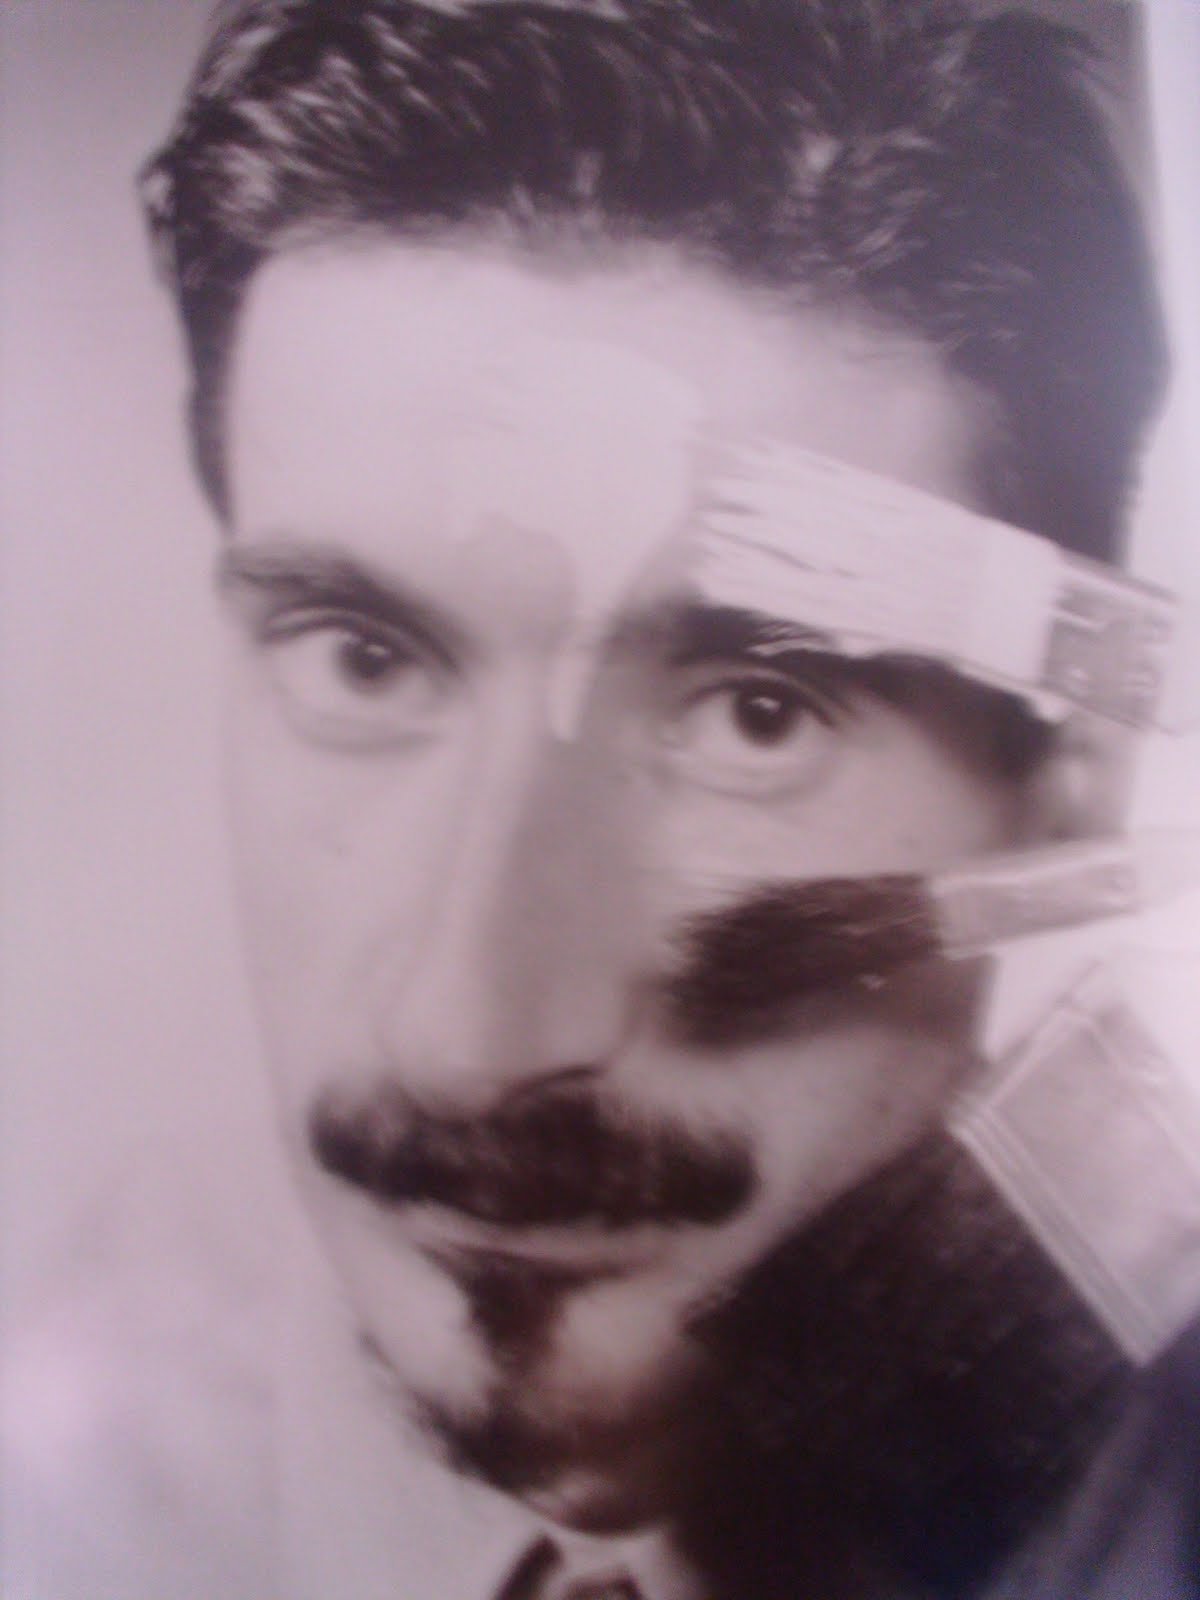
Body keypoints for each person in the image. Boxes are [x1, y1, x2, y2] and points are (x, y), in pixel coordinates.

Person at [9, 2, 1197, 1597]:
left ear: (1075, 772)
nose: (470, 1039)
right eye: (367, 661)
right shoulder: (118, 1415)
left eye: (756, 714)